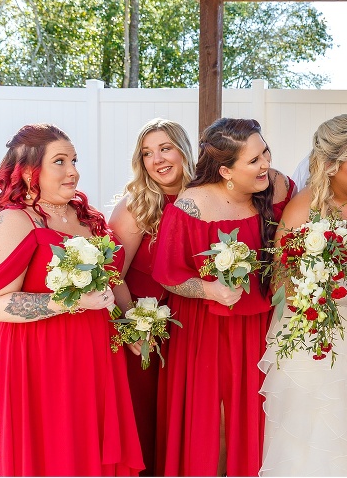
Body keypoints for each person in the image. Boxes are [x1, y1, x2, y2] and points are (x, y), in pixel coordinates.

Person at [0, 124, 144, 476]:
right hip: (42, 357)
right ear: (30, 171)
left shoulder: (86, 218)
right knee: (59, 450)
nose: (74, 170)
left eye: (74, 159)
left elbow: (114, 280)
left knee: (94, 447)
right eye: (61, 161)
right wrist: (67, 303)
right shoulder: (14, 221)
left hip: (96, 352)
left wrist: (130, 327)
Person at [259, 114, 347, 476]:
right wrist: (318, 288)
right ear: (331, 165)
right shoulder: (302, 208)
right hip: (316, 337)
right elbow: (280, 284)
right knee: (316, 434)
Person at [151, 118, 294, 476]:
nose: (266, 164)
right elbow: (168, 273)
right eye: (254, 160)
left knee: (254, 416)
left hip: (257, 326)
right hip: (204, 331)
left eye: (265, 153)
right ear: (226, 170)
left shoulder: (276, 187)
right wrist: (208, 288)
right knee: (212, 422)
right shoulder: (191, 206)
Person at [108, 118, 196, 476]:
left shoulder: (206, 199)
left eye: (165, 148)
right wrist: (133, 326)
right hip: (146, 333)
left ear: (183, 150)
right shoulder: (136, 206)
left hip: (193, 331)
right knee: (146, 416)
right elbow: (112, 272)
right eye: (147, 153)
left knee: (187, 419)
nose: (157, 159)